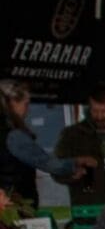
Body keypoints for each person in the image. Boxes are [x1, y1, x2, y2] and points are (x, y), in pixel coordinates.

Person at [0, 79, 95, 207]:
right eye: (26, 104)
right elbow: (46, 162)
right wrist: (76, 163)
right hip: (15, 203)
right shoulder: (13, 136)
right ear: (12, 102)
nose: (27, 111)